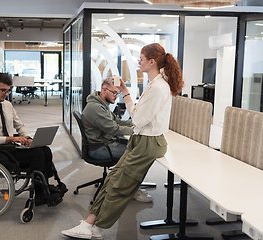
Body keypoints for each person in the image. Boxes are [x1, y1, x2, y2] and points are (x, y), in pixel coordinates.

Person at [62, 43, 184, 239]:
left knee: (119, 186)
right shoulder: (154, 84)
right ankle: (89, 224)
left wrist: (133, 113)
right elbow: (136, 115)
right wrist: (126, 92)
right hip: (141, 139)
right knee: (111, 180)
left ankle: (95, 227)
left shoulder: (158, 87)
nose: (138, 62)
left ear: (152, 62)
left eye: (141, 59)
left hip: (148, 143)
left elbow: (138, 119)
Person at [0, 73, 66, 207]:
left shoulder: (7, 105)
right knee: (37, 154)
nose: (6, 93)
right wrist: (11, 138)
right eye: (3, 90)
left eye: (8, 90)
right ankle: (41, 194)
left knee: (45, 150)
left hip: (10, 147)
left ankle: (44, 185)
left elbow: (19, 125)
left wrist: (27, 138)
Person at [81, 78, 153, 203]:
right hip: (98, 148)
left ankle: (128, 184)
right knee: (136, 154)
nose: (116, 96)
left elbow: (117, 121)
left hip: (106, 142)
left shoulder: (101, 103)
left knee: (136, 146)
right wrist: (138, 131)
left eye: (118, 93)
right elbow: (114, 129)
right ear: (104, 90)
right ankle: (132, 190)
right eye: (114, 93)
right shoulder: (95, 108)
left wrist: (137, 124)